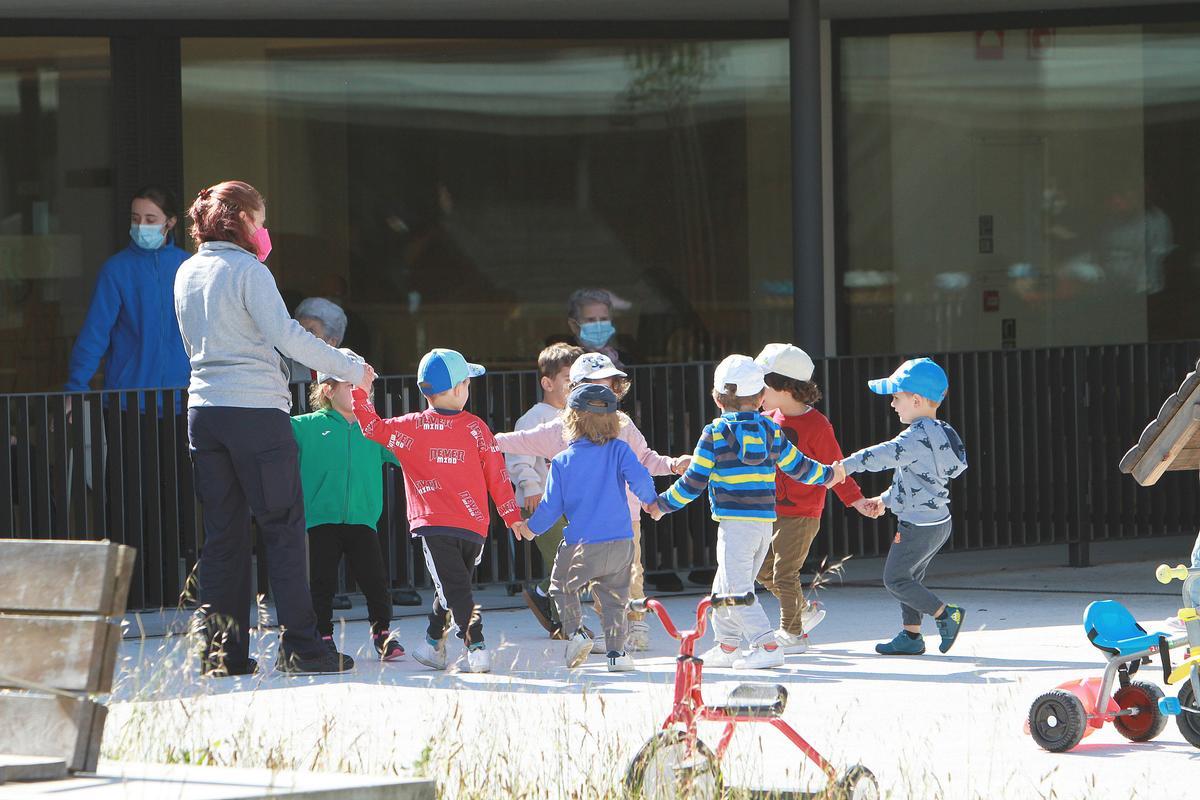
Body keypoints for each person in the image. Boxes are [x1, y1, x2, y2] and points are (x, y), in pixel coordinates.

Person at [176, 180, 370, 677]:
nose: (264, 232)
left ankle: (223, 653)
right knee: (283, 531)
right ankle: (303, 648)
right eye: (260, 221)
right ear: (240, 219)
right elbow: (288, 337)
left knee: (224, 536)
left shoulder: (187, 271)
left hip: (204, 411)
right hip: (257, 413)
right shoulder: (249, 271)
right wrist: (349, 368)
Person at [645, 355, 844, 670]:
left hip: (735, 526)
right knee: (723, 587)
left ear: (716, 398)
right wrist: (829, 475)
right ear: (762, 398)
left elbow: (693, 481)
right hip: (764, 524)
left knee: (736, 591)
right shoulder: (770, 430)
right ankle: (727, 647)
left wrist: (662, 504)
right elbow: (800, 467)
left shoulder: (715, 432)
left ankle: (766, 644)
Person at [350, 348, 530, 674]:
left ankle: (472, 645)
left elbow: (371, 428)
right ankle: (438, 644)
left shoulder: (410, 427)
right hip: (474, 526)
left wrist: (359, 390)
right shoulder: (477, 428)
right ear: (460, 388)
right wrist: (511, 515)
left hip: (434, 525)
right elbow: (498, 476)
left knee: (451, 588)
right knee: (454, 586)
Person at [495, 352, 689, 651]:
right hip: (585, 525)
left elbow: (645, 460)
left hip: (625, 518)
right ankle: (612, 638)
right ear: (574, 391)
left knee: (629, 573)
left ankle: (632, 625)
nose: (601, 393)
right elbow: (518, 440)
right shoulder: (560, 428)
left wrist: (673, 465)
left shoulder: (622, 425)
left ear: (616, 389)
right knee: (594, 582)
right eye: (592, 386)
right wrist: (480, 439)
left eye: (607, 386)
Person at [837, 357, 969, 656]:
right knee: (911, 578)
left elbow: (881, 455)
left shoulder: (913, 438)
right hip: (938, 522)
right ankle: (911, 636)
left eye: (896, 398)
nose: (893, 404)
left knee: (895, 579)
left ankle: (946, 615)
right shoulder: (941, 432)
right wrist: (883, 501)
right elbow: (914, 481)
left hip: (917, 527)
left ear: (917, 399)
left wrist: (844, 467)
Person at [528, 384, 659, 671]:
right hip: (622, 543)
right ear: (614, 419)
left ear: (571, 421)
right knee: (614, 601)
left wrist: (530, 528)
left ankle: (575, 633)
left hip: (580, 545)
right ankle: (617, 655)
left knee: (561, 587)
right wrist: (652, 502)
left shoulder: (562, 461)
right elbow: (642, 480)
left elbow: (550, 507)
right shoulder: (621, 451)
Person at [755, 343, 875, 653]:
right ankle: (802, 612)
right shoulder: (765, 418)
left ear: (783, 387)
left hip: (802, 512)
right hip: (770, 509)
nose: (757, 391)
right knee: (759, 569)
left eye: (762, 384)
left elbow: (837, 468)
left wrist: (856, 499)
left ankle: (793, 634)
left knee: (784, 571)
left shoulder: (818, 426)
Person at [291, 351, 404, 661]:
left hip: (363, 519)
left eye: (364, 385)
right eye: (350, 385)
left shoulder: (375, 428)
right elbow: (271, 441)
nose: (360, 392)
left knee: (376, 581)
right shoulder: (305, 426)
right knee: (322, 582)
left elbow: (407, 454)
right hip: (321, 520)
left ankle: (383, 634)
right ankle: (322, 635)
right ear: (328, 389)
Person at [67, 185, 191, 394]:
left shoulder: (189, 267)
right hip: (127, 399)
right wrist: (76, 387)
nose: (141, 226)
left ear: (170, 222)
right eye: (135, 218)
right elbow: (95, 333)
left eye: (150, 220)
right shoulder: (115, 270)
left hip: (184, 397)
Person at [507, 342, 584, 636]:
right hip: (541, 501)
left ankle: (542, 595)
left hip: (572, 504)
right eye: (568, 379)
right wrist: (530, 485)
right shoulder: (534, 418)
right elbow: (518, 455)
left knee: (577, 559)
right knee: (562, 559)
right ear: (547, 382)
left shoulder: (578, 416)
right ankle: (566, 624)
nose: (574, 385)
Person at [286, 297, 347, 383]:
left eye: (311, 331)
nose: (301, 336)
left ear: (332, 341)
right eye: (299, 329)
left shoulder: (345, 375)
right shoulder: (281, 368)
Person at [565, 288, 630, 367]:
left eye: (604, 319)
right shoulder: (564, 361)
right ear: (573, 325)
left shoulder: (625, 360)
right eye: (591, 320)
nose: (599, 327)